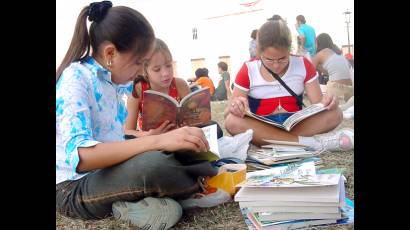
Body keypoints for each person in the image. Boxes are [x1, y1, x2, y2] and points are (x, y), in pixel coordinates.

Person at [56, 2, 223, 229]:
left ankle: (158, 197)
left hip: (108, 172)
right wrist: (156, 141)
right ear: (110, 53)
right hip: (72, 188)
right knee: (156, 165)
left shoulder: (115, 83)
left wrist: (151, 139)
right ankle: (192, 181)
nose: (140, 71)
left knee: (182, 147)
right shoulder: (75, 79)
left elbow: (113, 142)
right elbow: (82, 157)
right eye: (139, 63)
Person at [224, 19, 354, 152]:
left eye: (282, 58)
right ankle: (309, 143)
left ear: (289, 49)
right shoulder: (249, 69)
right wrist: (236, 106)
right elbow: (230, 110)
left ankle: (276, 141)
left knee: (335, 113)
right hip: (262, 125)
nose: (276, 65)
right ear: (259, 52)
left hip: (296, 125)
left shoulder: (303, 64)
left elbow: (318, 104)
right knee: (232, 121)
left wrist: (329, 101)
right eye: (269, 59)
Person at [124, 38, 191, 137]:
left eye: (168, 65)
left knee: (215, 128)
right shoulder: (139, 89)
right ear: (145, 70)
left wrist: (188, 124)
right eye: (157, 69)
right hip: (153, 143)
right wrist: (147, 135)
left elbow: (195, 119)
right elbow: (127, 131)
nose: (165, 73)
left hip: (181, 138)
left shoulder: (180, 84)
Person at [312, 33, 354, 103]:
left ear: (318, 43)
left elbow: (308, 69)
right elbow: (332, 71)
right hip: (350, 91)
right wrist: (320, 68)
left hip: (335, 89)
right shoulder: (338, 54)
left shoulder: (321, 53)